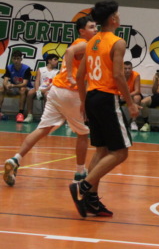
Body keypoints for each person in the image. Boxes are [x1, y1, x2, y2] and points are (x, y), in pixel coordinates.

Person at [3, 16, 97, 187]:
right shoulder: (84, 43)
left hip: (56, 91)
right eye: (91, 27)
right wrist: (71, 78)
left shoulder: (85, 44)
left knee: (42, 129)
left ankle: (16, 159)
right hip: (69, 93)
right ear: (82, 31)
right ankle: (80, 172)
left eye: (96, 26)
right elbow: (69, 52)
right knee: (83, 133)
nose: (95, 29)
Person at [70, 0, 140, 218]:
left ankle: (90, 199)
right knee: (120, 152)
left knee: (101, 150)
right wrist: (130, 103)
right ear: (113, 19)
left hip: (91, 97)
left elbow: (80, 76)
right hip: (107, 98)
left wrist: (83, 102)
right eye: (117, 14)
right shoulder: (117, 42)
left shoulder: (91, 42)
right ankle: (84, 185)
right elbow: (118, 75)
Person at [24, 53, 60, 122]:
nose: (57, 61)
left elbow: (54, 84)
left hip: (49, 89)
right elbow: (37, 80)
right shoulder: (41, 69)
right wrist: (37, 90)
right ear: (49, 60)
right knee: (30, 93)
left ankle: (45, 116)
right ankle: (29, 115)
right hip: (40, 88)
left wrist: (45, 90)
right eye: (55, 59)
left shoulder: (57, 72)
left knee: (47, 95)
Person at [1, 51, 33, 122]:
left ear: (21, 59)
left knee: (22, 89)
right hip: (14, 88)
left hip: (27, 88)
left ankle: (20, 113)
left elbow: (24, 83)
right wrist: (6, 86)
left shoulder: (26, 68)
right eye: (14, 59)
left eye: (18, 58)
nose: (16, 61)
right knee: (1, 89)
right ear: (12, 59)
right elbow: (5, 80)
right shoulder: (9, 67)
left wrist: (12, 85)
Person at [124, 61, 143, 131]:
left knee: (137, 98)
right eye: (125, 68)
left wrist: (127, 96)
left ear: (132, 69)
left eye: (129, 68)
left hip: (132, 94)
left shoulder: (136, 75)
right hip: (121, 95)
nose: (127, 70)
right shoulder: (119, 75)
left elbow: (137, 91)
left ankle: (133, 121)